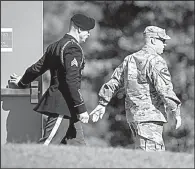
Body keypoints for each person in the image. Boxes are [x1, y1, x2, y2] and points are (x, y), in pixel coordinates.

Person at [90, 26, 182, 151]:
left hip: (133, 116)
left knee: (142, 153)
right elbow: (164, 90)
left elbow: (114, 82)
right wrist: (176, 110)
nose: (164, 44)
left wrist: (102, 103)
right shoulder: (156, 61)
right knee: (153, 157)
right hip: (150, 117)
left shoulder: (130, 59)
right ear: (153, 40)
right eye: (162, 40)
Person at [9, 14, 95, 146]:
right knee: (46, 146)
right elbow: (71, 82)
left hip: (69, 109)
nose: (88, 34)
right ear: (79, 29)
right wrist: (82, 109)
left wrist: (22, 82)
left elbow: (36, 69)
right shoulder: (73, 49)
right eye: (87, 31)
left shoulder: (54, 46)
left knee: (80, 150)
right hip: (62, 106)